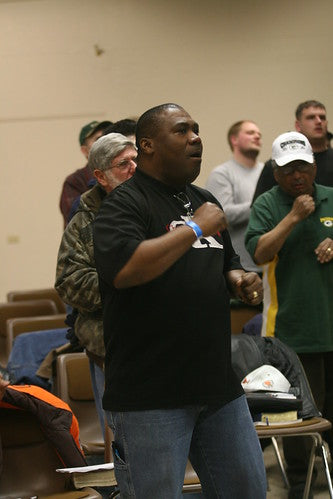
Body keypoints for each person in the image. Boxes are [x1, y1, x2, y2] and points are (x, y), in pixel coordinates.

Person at [93, 103, 266, 498]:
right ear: (148, 146)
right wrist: (194, 227)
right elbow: (126, 271)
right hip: (150, 396)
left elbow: (226, 263)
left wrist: (240, 280)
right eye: (182, 130)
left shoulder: (203, 199)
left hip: (217, 387)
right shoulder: (124, 204)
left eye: (197, 129)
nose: (195, 138)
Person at [245, 131, 333, 498]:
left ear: (314, 167)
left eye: (303, 167)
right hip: (293, 328)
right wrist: (293, 217)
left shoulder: (330, 196)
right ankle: (300, 481)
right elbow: (259, 252)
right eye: (288, 170)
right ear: (276, 173)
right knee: (300, 415)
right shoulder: (268, 204)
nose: (297, 176)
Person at [55, 133, 137, 436]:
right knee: (124, 438)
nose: (134, 168)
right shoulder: (85, 219)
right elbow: (69, 281)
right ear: (101, 176)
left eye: (136, 160)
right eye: (123, 164)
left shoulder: (160, 206)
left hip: (167, 341)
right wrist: (126, 284)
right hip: (112, 343)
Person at [206, 120, 263, 272]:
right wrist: (262, 205)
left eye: (259, 134)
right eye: (250, 133)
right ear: (234, 140)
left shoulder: (267, 172)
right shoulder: (222, 174)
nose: (257, 136)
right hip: (240, 265)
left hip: (270, 262)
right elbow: (222, 215)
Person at [253, 100, 333, 201]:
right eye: (311, 117)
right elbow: (260, 208)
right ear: (298, 125)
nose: (318, 121)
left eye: (322, 117)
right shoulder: (278, 164)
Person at [59, 120, 112, 227]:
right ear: (85, 151)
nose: (105, 143)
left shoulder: (128, 170)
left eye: (108, 137)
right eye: (98, 139)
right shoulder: (75, 181)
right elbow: (78, 220)